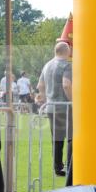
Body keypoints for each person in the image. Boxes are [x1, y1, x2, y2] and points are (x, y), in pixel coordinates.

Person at [38, 41, 73, 176]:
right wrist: (73, 102)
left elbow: (40, 85)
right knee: (71, 137)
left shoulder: (46, 65)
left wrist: (46, 100)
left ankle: (57, 168)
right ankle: (70, 167)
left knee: (57, 139)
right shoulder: (67, 65)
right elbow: (66, 85)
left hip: (51, 107)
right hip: (65, 107)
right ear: (67, 51)